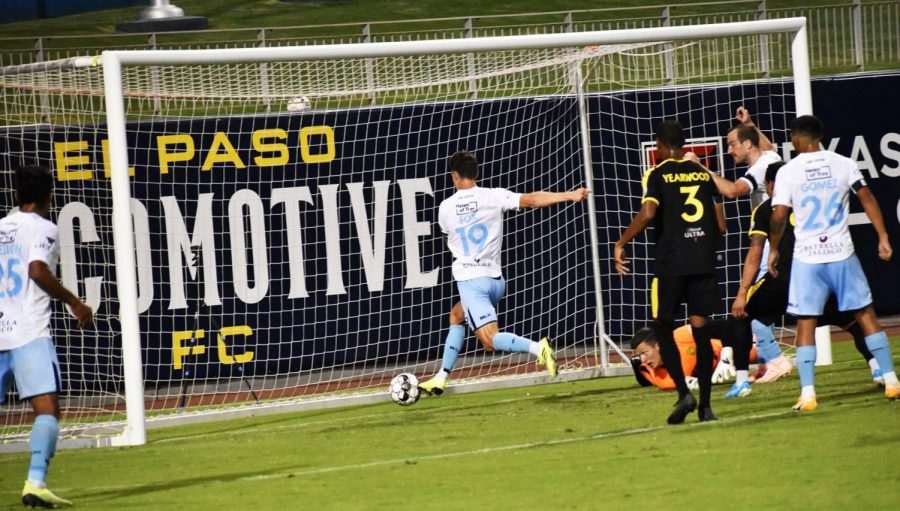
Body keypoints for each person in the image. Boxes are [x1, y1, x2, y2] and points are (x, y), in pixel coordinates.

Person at [417, 150, 590, 396]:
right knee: (457, 315)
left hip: (471, 282)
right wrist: (569, 195)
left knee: (489, 340)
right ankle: (441, 377)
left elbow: (449, 241)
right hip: (496, 281)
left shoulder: (445, 207)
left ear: (454, 176)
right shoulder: (494, 196)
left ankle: (537, 348)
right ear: (476, 173)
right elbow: (531, 200)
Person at [768, 115, 897, 411]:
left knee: (805, 323)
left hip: (808, 258)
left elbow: (778, 216)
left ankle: (809, 393)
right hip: (842, 253)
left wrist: (774, 249)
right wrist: (883, 236)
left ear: (796, 138)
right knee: (865, 314)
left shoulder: (789, 171)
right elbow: (867, 198)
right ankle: (891, 380)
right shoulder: (844, 163)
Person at [614, 120, 726, 424]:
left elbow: (649, 212)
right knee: (702, 335)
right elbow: (721, 226)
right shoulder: (702, 173)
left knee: (662, 327)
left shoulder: (657, 173)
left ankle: (683, 393)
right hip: (703, 262)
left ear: (661, 146)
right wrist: (703, 247)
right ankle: (706, 407)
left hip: (672, 264)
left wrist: (621, 242)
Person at [735, 162, 883, 387]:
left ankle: (751, 377)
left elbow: (755, 252)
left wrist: (742, 292)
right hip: (825, 271)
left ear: (771, 184)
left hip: (788, 276)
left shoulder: (767, 209)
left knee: (744, 315)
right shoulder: (811, 197)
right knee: (854, 322)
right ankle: (879, 370)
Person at [0, 165, 94, 508]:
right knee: (47, 408)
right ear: (49, 196)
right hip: (28, 332)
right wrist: (74, 301)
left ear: (15, 195)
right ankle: (35, 482)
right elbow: (37, 271)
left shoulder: (0, 228)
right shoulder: (45, 228)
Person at [696, 106, 791, 392]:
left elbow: (733, 191)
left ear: (748, 144)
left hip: (769, 245)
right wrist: (750, 124)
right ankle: (764, 363)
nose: (729, 150)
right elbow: (769, 146)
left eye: (732, 143)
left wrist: (699, 167)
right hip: (781, 242)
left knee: (748, 307)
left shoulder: (760, 168)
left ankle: (775, 360)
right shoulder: (770, 156)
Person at [631, 319, 757, 391]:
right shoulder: (662, 379)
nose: (643, 359)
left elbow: (724, 326)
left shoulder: (680, 336)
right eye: (639, 355)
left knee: (763, 354)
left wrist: (726, 354)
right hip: (717, 367)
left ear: (658, 345)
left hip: (731, 347)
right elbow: (646, 376)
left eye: (644, 353)